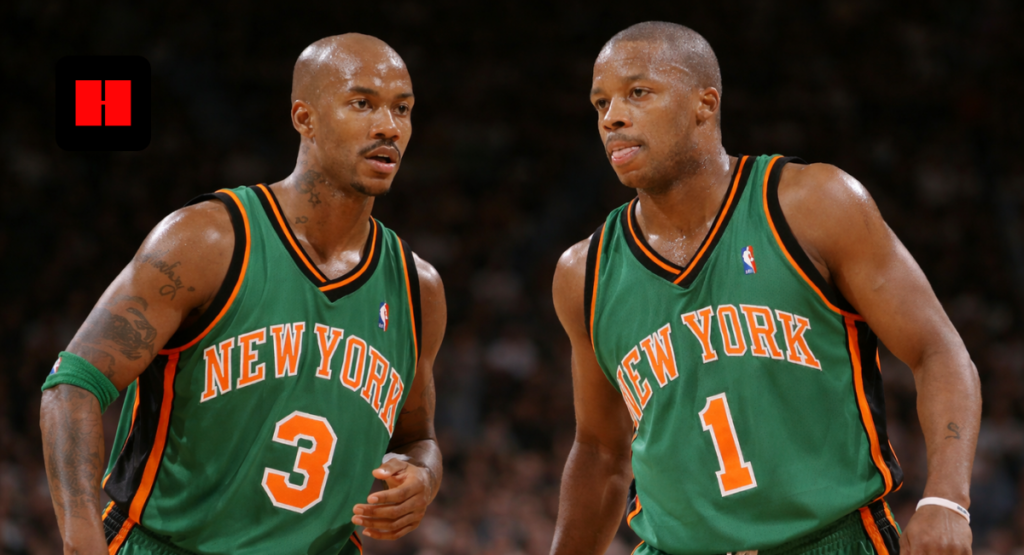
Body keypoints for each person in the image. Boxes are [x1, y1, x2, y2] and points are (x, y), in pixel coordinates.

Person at [550, 22, 979, 555]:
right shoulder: (584, 272)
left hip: (830, 540)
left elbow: (938, 351)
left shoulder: (814, 204)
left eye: (638, 92)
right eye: (601, 103)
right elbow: (599, 451)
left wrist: (947, 500)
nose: (611, 117)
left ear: (705, 104)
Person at [39, 33, 446, 555]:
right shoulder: (208, 241)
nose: (388, 126)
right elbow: (72, 386)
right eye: (362, 103)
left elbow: (417, 439)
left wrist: (423, 477)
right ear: (304, 117)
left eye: (402, 109)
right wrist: (82, 545)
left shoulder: (417, 288)